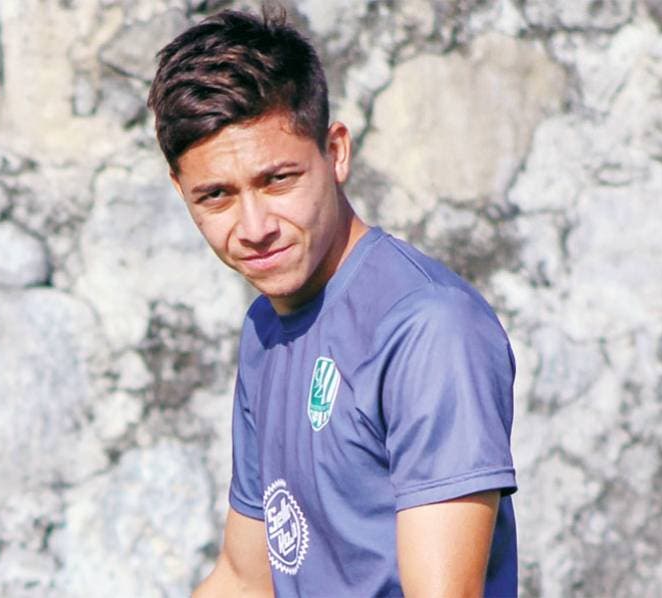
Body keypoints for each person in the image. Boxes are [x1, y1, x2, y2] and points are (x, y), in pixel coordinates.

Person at [146, 7, 518, 597]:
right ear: (180, 191)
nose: (254, 227)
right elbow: (246, 579)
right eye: (216, 195)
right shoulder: (266, 326)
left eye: (278, 180)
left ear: (336, 151)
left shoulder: (428, 328)